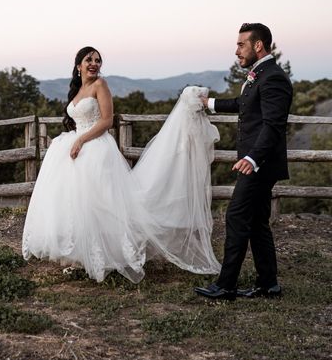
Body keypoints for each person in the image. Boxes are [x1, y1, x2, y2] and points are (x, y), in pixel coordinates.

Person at [22, 46, 222, 283]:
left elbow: (106, 121)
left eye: (98, 60)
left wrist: (81, 140)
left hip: (96, 148)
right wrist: (74, 140)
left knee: (102, 204)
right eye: (89, 60)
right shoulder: (78, 90)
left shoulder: (100, 86)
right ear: (78, 66)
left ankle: (108, 254)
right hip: (77, 145)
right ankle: (81, 254)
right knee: (77, 203)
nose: (94, 63)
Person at [195, 23, 293, 301]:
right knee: (258, 221)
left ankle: (226, 285)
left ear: (258, 45)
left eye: (241, 44)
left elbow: (274, 125)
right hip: (258, 162)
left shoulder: (273, 77)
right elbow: (244, 103)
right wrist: (210, 104)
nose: (236, 50)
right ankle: (268, 284)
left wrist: (252, 157)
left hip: (259, 164)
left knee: (236, 215)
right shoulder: (261, 74)